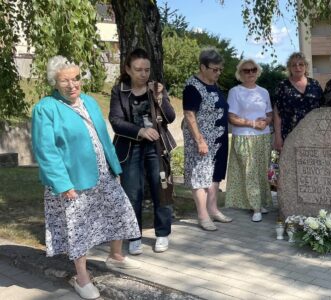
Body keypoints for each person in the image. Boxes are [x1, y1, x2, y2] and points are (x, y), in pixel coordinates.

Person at [31, 56, 140, 299]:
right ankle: (81, 278)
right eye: (65, 81)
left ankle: (116, 255)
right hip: (72, 180)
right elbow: (45, 150)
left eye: (76, 78)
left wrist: (116, 168)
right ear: (55, 83)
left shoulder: (89, 102)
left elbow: (103, 136)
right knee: (78, 228)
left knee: (119, 210)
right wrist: (62, 183)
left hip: (103, 173)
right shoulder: (45, 108)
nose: (72, 85)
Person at [109, 48, 176, 255]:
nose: (143, 74)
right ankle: (134, 235)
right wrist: (140, 131)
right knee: (132, 192)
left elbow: (170, 117)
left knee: (161, 189)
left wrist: (160, 98)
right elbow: (116, 121)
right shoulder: (119, 90)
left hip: (156, 147)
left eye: (147, 69)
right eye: (138, 69)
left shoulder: (156, 88)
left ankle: (162, 234)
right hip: (130, 147)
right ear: (128, 69)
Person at [182, 47, 232, 231]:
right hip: (202, 141)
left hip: (218, 139)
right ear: (203, 67)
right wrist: (199, 140)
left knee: (215, 174)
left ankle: (213, 209)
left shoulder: (213, 84)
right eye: (214, 69)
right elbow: (189, 114)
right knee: (200, 177)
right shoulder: (192, 86)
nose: (218, 73)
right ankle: (203, 215)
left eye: (220, 69)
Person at [224, 59, 273, 222]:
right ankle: (256, 207)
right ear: (240, 73)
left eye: (253, 70)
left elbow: (269, 114)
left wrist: (266, 121)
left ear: (257, 71)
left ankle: (259, 202)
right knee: (249, 171)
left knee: (261, 171)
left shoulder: (264, 92)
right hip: (244, 137)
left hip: (263, 137)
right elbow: (231, 117)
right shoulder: (235, 91)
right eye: (246, 71)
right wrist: (252, 123)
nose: (250, 73)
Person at [272, 52, 322, 151]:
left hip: (313, 133)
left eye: (301, 64)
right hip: (289, 133)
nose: (297, 67)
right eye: (293, 65)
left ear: (306, 66)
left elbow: (322, 110)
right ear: (289, 68)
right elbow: (277, 113)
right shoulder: (282, 86)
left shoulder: (315, 84)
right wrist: (277, 136)